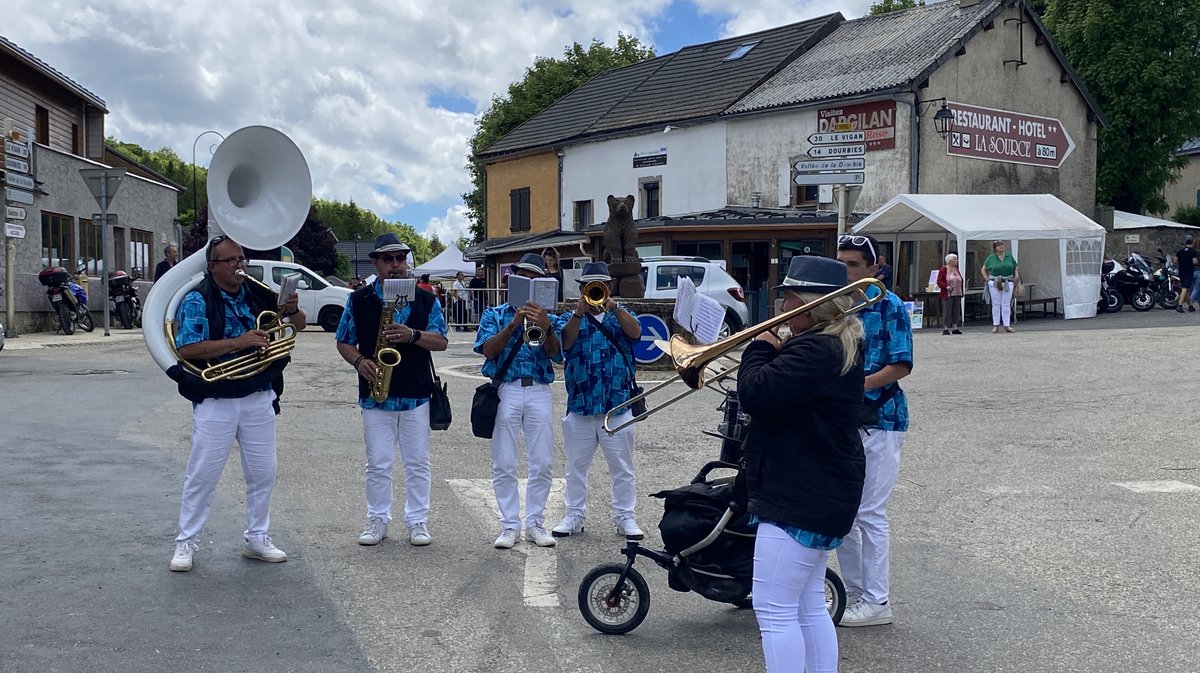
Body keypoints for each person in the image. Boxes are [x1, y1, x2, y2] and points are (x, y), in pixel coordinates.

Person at [738, 255, 865, 673]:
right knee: (808, 604)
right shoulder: (833, 342)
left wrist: (759, 346)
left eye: (788, 298)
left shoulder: (818, 347)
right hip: (818, 491)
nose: (780, 308)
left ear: (811, 305)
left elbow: (757, 393)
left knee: (774, 611)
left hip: (800, 495)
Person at [168, 235, 307, 572]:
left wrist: (290, 309)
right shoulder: (197, 299)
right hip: (217, 398)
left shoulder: (256, 293)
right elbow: (187, 348)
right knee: (203, 474)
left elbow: (298, 326)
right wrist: (239, 342)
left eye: (241, 259)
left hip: (258, 394)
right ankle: (186, 542)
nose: (238, 266)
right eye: (230, 261)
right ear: (212, 265)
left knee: (263, 473)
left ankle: (257, 537)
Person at [335, 233, 449, 547]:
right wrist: (359, 361)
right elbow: (343, 341)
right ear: (376, 263)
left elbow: (441, 341)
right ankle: (377, 520)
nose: (396, 265)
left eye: (401, 258)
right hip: (375, 394)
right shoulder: (359, 299)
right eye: (388, 259)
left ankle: (417, 521)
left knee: (417, 462)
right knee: (378, 462)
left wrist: (413, 334)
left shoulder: (426, 298)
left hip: (415, 394)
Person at [835, 234, 913, 627]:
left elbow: (901, 365)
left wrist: (855, 386)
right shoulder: (836, 306)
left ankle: (878, 602)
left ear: (873, 267)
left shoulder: (890, 305)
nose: (845, 270)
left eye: (852, 264)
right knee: (844, 513)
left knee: (870, 513)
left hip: (881, 420)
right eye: (841, 263)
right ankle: (853, 595)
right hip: (844, 420)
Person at [474, 252, 562, 549]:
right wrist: (514, 324)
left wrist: (545, 324)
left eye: (535, 278)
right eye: (525, 277)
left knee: (542, 462)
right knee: (504, 462)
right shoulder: (494, 314)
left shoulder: (549, 316)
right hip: (506, 389)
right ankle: (510, 524)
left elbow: (555, 354)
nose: (530, 282)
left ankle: (535, 523)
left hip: (538, 388)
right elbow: (487, 351)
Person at [551, 262, 644, 540]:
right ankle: (574, 515)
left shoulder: (619, 316)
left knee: (622, 468)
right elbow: (564, 345)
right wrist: (578, 314)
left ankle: (625, 517)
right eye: (589, 286)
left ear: (609, 288)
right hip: (580, 405)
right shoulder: (569, 318)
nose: (594, 291)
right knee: (575, 468)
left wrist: (614, 307)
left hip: (617, 405)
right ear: (580, 290)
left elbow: (636, 333)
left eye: (600, 286)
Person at [981, 240, 1020, 333]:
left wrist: (1016, 275)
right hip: (995, 282)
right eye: (999, 245)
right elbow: (983, 269)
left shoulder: (1009, 256)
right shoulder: (991, 258)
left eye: (1002, 245)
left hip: (1008, 281)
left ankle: (1007, 325)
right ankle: (995, 325)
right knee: (996, 303)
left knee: (1006, 303)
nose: (1002, 246)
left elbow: (1015, 266)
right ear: (995, 248)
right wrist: (987, 279)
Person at [936, 253, 965, 334]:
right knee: (947, 310)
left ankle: (955, 327)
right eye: (955, 259)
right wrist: (946, 286)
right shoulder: (944, 269)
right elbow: (939, 281)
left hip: (957, 293)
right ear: (950, 261)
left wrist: (962, 291)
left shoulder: (956, 269)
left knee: (956, 310)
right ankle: (945, 328)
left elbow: (960, 280)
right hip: (948, 293)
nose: (957, 261)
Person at [1177, 235, 1198, 313]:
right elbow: (1194, 261)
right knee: (1185, 288)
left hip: (1181, 272)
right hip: (1189, 272)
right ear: (1192, 242)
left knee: (1187, 290)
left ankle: (1190, 306)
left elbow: (1175, 260)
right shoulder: (1193, 251)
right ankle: (1180, 305)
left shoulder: (1180, 251)